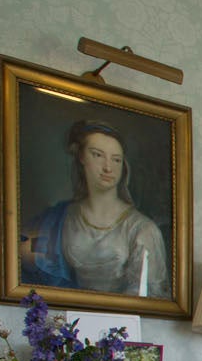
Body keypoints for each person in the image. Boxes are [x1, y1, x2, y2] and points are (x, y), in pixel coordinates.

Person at [19, 120, 169, 298]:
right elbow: (26, 258)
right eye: (97, 155)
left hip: (121, 321)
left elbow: (148, 296)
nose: (108, 167)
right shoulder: (59, 217)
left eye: (116, 160)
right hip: (70, 317)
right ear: (81, 157)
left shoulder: (143, 229)